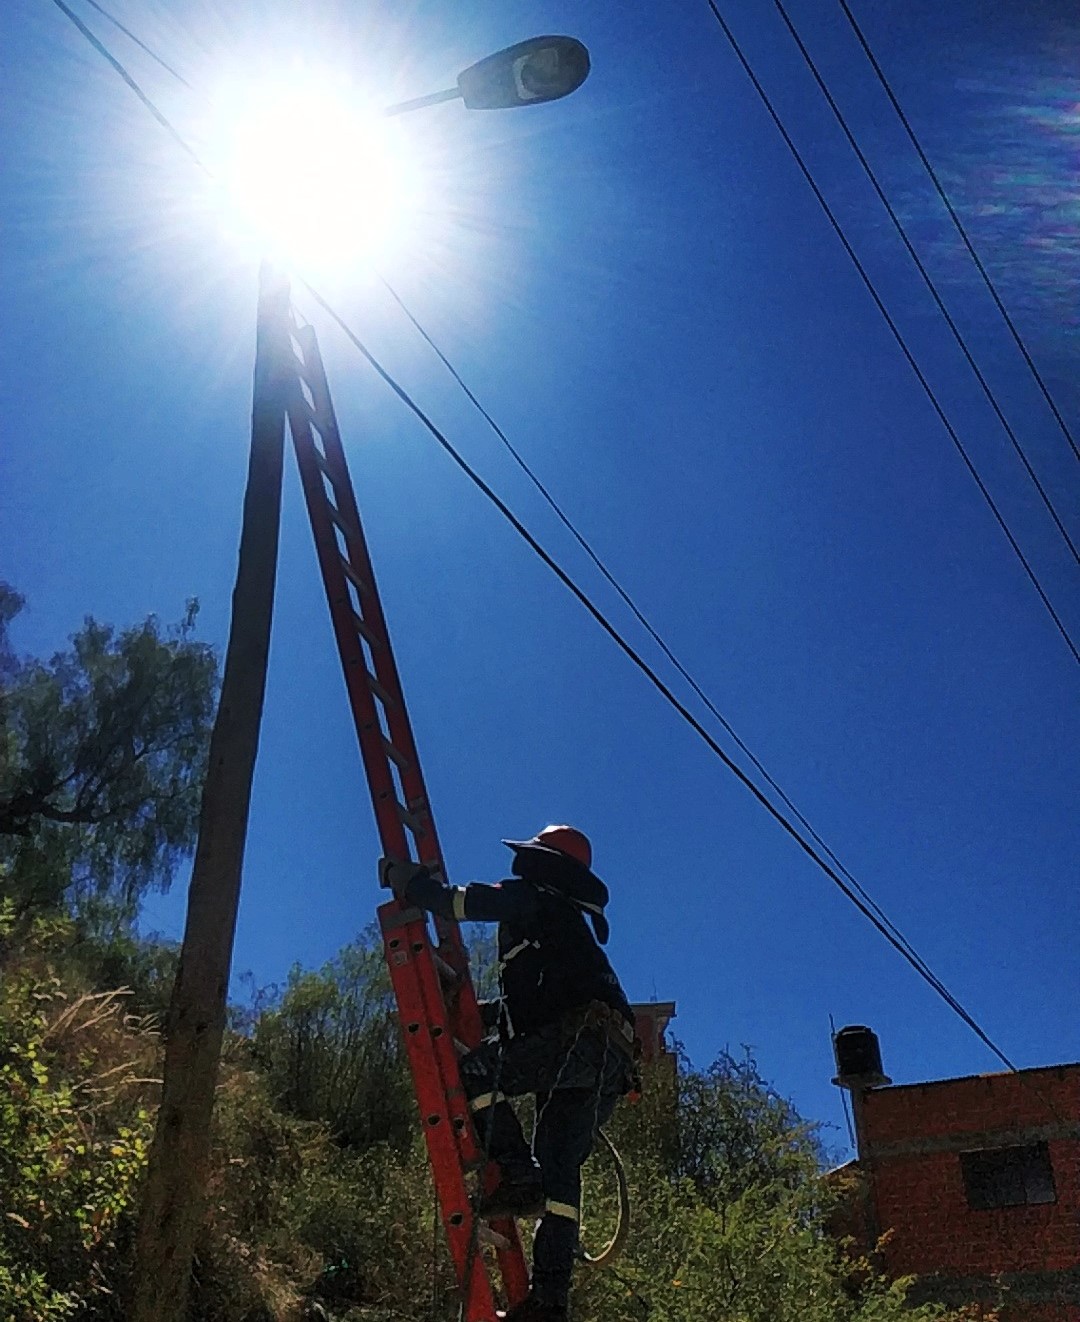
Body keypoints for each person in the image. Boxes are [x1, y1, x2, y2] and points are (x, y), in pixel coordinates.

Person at [382, 824, 638, 1322]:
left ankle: (517, 1174)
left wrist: (406, 880)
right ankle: (548, 1304)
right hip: (611, 1058)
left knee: (475, 1073)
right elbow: (534, 1006)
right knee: (561, 1169)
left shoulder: (533, 899)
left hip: (580, 1041)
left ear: (543, 863)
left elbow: (459, 902)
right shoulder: (566, 929)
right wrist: (471, 1012)